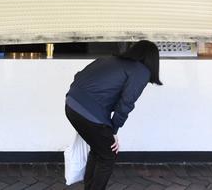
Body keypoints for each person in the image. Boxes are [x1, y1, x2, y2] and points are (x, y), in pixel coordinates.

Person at [65, 40, 163, 190]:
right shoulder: (141, 71)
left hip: (71, 104)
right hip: (89, 112)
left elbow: (79, 76)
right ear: (153, 59)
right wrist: (113, 129)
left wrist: (108, 127)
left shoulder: (109, 59)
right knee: (108, 155)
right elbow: (126, 104)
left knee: (99, 150)